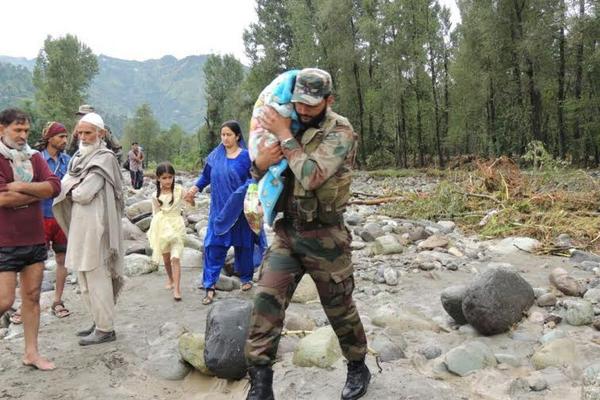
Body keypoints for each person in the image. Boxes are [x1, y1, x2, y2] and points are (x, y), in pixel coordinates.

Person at [244, 68, 370, 400]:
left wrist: (285, 136)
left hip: (325, 236)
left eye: (311, 106)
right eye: (299, 103)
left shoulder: (339, 131)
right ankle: (260, 384)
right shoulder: (290, 120)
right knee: (265, 302)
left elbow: (312, 176)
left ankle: (358, 365)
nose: (303, 110)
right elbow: (259, 173)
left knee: (339, 308)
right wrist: (259, 162)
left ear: (328, 101)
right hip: (287, 232)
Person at [53, 112, 125, 346]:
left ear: (100, 134)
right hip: (80, 225)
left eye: (88, 132)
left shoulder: (104, 158)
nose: (83, 137)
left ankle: (105, 328)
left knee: (96, 276)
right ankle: (97, 321)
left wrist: (70, 188)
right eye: (80, 132)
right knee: (82, 276)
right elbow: (69, 186)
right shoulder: (78, 158)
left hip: (97, 226)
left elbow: (82, 194)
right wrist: (73, 187)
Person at [0, 108, 61, 370]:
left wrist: (20, 187)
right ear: (2, 129)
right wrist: (38, 193)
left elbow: (54, 186)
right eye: (17, 130)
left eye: (26, 130)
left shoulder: (34, 158)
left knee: (33, 296)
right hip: (4, 240)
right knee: (4, 300)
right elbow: (2, 198)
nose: (23, 135)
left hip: (34, 238)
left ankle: (31, 353)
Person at [185, 120, 266, 305]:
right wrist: (194, 190)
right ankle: (210, 285)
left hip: (239, 211)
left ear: (237, 136)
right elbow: (205, 176)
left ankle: (246, 278)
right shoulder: (215, 156)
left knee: (244, 246)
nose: (225, 138)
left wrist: (241, 193)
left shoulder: (246, 157)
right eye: (223, 134)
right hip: (219, 210)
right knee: (213, 246)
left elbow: (253, 179)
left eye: (229, 134)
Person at [147, 162, 186, 301]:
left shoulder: (179, 190)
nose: (168, 180)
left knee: (175, 257)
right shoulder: (154, 195)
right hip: (162, 227)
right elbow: (155, 214)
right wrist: (156, 231)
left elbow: (191, 205)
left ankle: (177, 289)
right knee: (166, 258)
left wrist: (192, 200)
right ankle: (170, 278)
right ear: (158, 179)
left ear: (174, 177)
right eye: (164, 178)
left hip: (177, 226)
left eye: (170, 177)